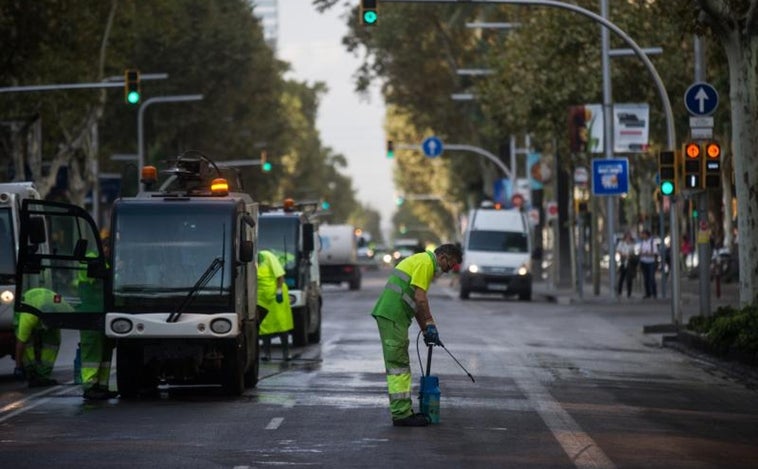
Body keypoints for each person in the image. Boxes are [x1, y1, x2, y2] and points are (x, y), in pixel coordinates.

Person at [371, 243, 462, 427]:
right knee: (399, 366)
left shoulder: (421, 261)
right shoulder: (426, 263)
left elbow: (416, 301)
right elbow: (421, 298)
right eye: (449, 265)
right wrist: (429, 322)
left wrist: (428, 328)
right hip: (393, 316)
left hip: (393, 316)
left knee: (400, 364)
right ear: (443, 257)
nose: (447, 271)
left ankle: (403, 411)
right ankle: (401, 414)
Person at [78, 238, 117, 400]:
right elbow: (94, 281)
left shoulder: (107, 261)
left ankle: (102, 386)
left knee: (106, 351)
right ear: (104, 247)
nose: (110, 251)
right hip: (91, 313)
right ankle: (89, 386)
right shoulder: (91, 259)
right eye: (109, 248)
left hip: (104, 312)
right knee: (92, 351)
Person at [14, 288, 70, 387]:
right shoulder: (28, 316)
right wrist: (18, 366)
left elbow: (78, 319)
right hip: (27, 305)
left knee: (52, 342)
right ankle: (30, 372)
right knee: (28, 344)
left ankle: (43, 375)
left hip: (48, 304)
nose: (46, 329)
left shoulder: (63, 307)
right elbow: (21, 343)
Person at [257, 249, 293, 361]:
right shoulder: (248, 261)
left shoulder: (268, 256)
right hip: (261, 297)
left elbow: (280, 275)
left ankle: (286, 353)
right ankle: (266, 353)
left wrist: (278, 291)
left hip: (276, 295)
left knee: (281, 323)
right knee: (264, 326)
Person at [638, 229, 658, 299]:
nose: (642, 236)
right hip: (643, 261)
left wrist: (647, 253)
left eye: (643, 234)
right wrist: (642, 254)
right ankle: (648, 293)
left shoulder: (652, 242)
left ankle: (654, 293)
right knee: (646, 278)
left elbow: (655, 252)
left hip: (651, 262)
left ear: (646, 235)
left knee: (651, 278)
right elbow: (640, 252)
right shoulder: (642, 242)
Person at [615, 232, 636, 298]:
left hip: (630, 263)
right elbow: (618, 251)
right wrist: (623, 254)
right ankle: (619, 291)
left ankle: (629, 293)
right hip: (623, 262)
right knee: (622, 277)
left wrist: (630, 256)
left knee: (629, 278)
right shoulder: (621, 243)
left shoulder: (632, 245)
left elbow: (634, 253)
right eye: (627, 237)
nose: (628, 239)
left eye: (629, 237)